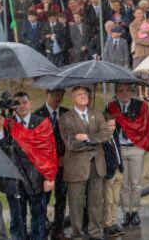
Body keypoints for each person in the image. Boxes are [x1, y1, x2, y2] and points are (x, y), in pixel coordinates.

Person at [0, 92, 56, 240]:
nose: (21, 106)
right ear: (12, 107)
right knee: (17, 219)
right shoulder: (6, 123)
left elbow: (49, 152)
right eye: (17, 103)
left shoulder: (41, 122)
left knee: (38, 218)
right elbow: (1, 151)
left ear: (30, 103)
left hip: (36, 179)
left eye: (24, 102)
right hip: (14, 179)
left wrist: (49, 178)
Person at [59, 86, 111, 240]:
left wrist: (87, 137)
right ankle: (78, 234)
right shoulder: (65, 118)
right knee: (76, 203)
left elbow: (106, 134)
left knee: (96, 201)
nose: (83, 96)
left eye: (85, 94)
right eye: (79, 94)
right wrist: (94, 141)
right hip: (76, 167)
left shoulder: (97, 114)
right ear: (72, 98)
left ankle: (95, 232)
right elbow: (71, 144)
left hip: (97, 164)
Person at [106, 84, 149, 229]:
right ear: (116, 93)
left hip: (136, 148)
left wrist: (144, 145)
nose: (124, 93)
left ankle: (134, 211)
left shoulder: (140, 106)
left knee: (135, 183)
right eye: (121, 91)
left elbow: (146, 126)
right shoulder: (111, 107)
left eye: (127, 90)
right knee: (123, 183)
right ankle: (125, 211)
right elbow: (106, 127)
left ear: (131, 91)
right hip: (120, 149)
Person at [32, 89, 69, 240]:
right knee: (43, 201)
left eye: (60, 95)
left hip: (62, 165)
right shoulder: (37, 115)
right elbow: (35, 144)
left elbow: (71, 138)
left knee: (61, 198)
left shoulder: (67, 114)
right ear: (46, 94)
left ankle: (58, 230)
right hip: (45, 169)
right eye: (54, 94)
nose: (57, 98)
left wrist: (65, 156)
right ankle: (41, 231)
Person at [101, 113, 125, 238]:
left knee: (116, 199)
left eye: (113, 125)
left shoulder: (114, 135)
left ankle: (114, 221)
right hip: (109, 172)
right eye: (109, 125)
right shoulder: (102, 139)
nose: (112, 127)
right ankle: (107, 224)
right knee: (108, 200)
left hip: (118, 170)